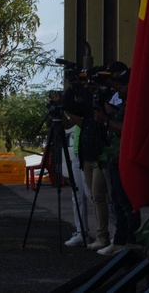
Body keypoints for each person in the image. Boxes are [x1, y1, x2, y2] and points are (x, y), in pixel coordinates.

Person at [60, 69, 110, 252]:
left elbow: (87, 114)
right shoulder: (82, 100)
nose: (87, 87)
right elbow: (73, 119)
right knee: (80, 195)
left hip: (97, 152)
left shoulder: (97, 99)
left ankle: (105, 234)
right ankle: (86, 232)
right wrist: (64, 103)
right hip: (82, 152)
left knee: (96, 196)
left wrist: (80, 90)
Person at [94, 62, 138, 256]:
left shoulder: (135, 103)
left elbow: (127, 130)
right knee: (117, 201)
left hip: (124, 156)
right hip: (113, 156)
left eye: (121, 84)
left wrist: (106, 120)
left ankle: (132, 240)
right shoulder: (121, 101)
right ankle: (120, 240)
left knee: (126, 202)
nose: (117, 88)